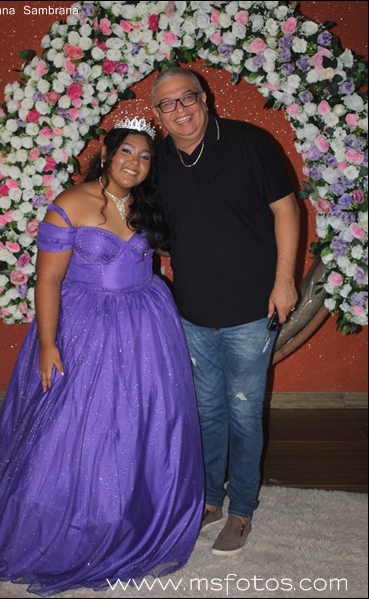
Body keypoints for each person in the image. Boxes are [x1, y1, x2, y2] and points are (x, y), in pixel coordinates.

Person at [0, 118, 204, 595]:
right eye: (127, 152)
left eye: (144, 157)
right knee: (75, 424)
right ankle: (67, 521)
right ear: (106, 154)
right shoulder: (71, 202)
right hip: (85, 327)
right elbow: (48, 279)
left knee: (141, 420)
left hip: (145, 325)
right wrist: (48, 343)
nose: (135, 163)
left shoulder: (145, 204)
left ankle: (133, 512)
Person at [151, 68, 300, 556]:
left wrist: (284, 281)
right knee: (206, 411)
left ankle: (243, 510)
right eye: (168, 104)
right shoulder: (158, 162)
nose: (179, 110)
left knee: (243, 411)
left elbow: (287, 209)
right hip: (192, 310)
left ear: (205, 98)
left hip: (251, 308)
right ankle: (211, 500)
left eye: (186, 98)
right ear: (158, 114)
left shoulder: (248, 142)